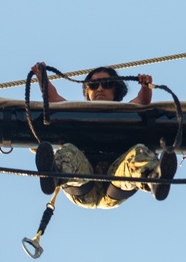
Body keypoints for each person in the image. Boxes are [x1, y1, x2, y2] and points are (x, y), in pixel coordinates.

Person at [31, 62, 176, 207]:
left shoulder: (126, 112)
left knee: (139, 152)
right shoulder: (76, 113)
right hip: (82, 183)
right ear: (87, 92)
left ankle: (155, 179)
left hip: (115, 183)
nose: (99, 88)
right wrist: (42, 77)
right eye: (94, 85)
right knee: (69, 152)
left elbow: (141, 102)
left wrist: (145, 87)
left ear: (115, 90)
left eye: (106, 84)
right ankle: (53, 175)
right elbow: (54, 99)